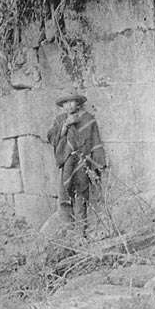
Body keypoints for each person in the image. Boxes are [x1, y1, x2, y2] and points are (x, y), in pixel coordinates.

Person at [47, 87, 106, 238]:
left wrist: (97, 165)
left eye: (71, 102)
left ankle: (81, 231)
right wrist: (65, 127)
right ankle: (68, 230)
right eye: (65, 103)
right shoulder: (60, 120)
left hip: (81, 162)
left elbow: (95, 141)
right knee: (64, 194)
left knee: (81, 194)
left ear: (78, 103)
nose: (68, 105)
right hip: (66, 162)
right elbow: (52, 138)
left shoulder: (88, 119)